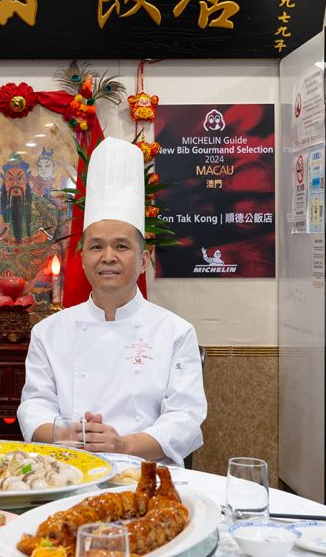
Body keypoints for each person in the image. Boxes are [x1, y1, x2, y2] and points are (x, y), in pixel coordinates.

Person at [17, 137, 207, 466]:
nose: (108, 257)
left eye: (121, 246)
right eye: (96, 247)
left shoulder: (176, 332)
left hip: (147, 473)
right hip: (68, 470)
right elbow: (34, 407)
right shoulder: (49, 332)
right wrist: (65, 434)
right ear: (83, 257)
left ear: (144, 259)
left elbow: (185, 419)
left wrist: (122, 445)